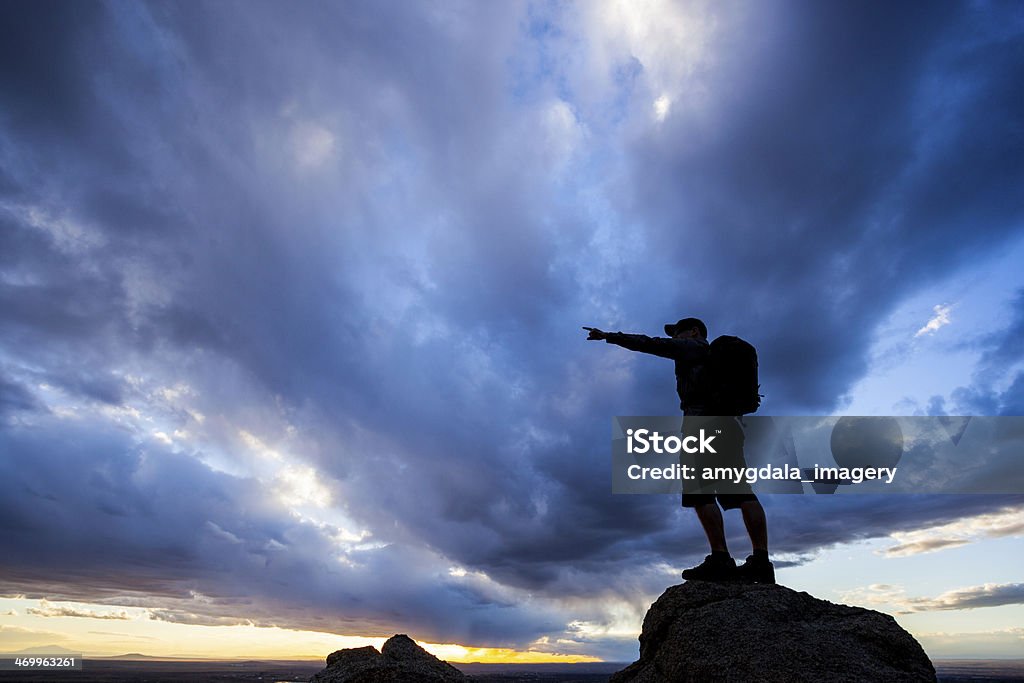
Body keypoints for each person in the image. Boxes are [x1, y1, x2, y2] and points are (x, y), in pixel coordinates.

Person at [585, 318, 775, 583]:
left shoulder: (695, 347)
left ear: (694, 331)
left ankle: (721, 558)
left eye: (678, 333)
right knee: (741, 491)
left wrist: (611, 336)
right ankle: (761, 562)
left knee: (700, 493)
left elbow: (651, 345)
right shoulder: (713, 358)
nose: (675, 338)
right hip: (730, 426)